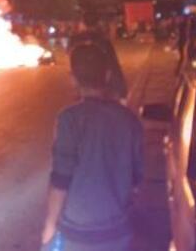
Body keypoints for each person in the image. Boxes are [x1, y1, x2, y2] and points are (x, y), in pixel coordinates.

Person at [40, 44, 143, 251]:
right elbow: (137, 178)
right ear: (107, 76)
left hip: (78, 233)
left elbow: (61, 179)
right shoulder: (129, 119)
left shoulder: (69, 119)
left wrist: (49, 225)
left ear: (73, 79)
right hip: (117, 230)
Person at [68, 11, 128, 102]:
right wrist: (122, 91)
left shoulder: (74, 40)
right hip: (101, 86)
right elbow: (114, 65)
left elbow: (71, 61)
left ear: (82, 23)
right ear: (97, 24)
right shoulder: (103, 40)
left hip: (82, 87)